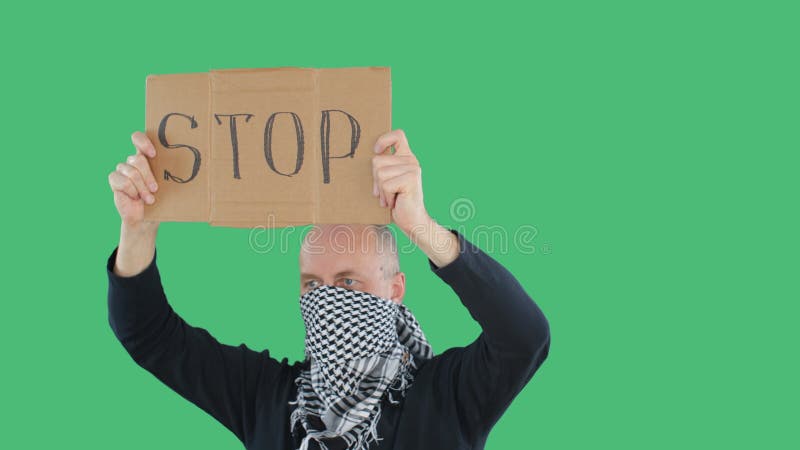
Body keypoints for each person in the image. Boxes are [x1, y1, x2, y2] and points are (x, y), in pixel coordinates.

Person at [106, 129, 551, 450]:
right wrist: (138, 227)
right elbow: (148, 335)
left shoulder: (447, 397)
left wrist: (421, 227)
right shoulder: (267, 398)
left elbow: (524, 337)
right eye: (312, 285)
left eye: (347, 282)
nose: (327, 299)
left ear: (395, 290)